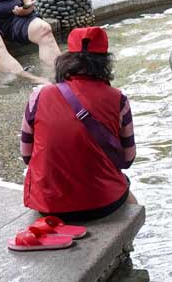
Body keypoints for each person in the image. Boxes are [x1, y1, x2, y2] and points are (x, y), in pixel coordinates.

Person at [20, 26, 137, 222]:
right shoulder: (119, 100)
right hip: (104, 203)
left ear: (67, 59)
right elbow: (127, 159)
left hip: (48, 204)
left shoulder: (39, 96)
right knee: (133, 203)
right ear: (105, 62)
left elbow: (26, 155)